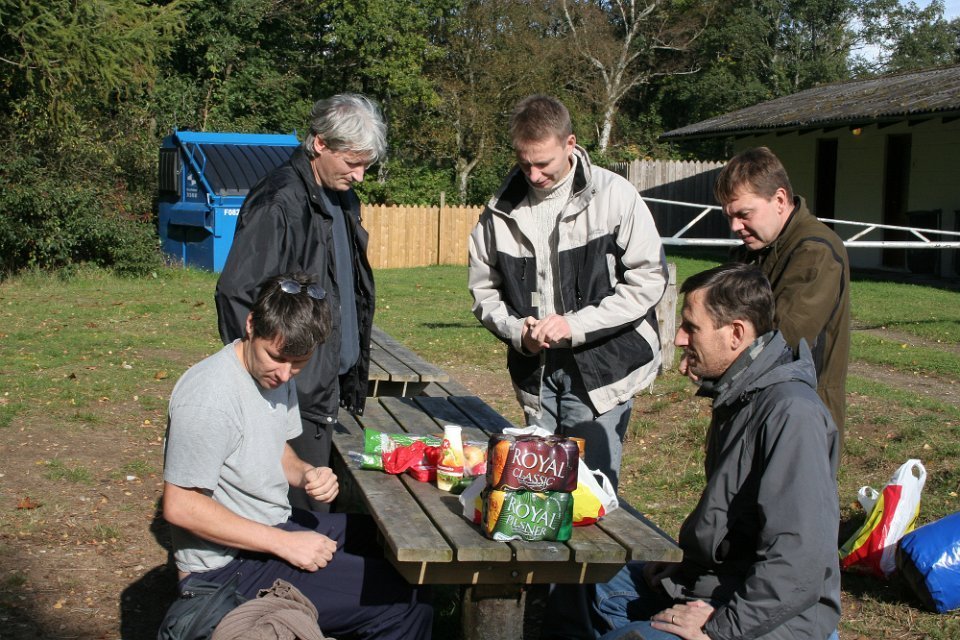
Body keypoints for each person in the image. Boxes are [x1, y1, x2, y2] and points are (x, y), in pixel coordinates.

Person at [162, 273, 432, 640]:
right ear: (251, 325)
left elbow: (276, 448)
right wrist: (286, 544)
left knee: (390, 541)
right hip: (224, 571)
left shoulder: (275, 373)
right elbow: (181, 507)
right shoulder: (209, 398)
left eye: (299, 363)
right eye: (276, 357)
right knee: (406, 601)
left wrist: (305, 473)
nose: (285, 373)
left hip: (273, 525)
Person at [591, 263, 841, 640]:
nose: (679, 338)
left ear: (736, 333)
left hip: (772, 621)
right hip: (719, 587)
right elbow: (734, 525)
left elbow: (799, 560)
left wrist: (720, 629)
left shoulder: (791, 413)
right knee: (593, 576)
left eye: (691, 327)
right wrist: (687, 568)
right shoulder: (741, 396)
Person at [468, 94, 667, 491]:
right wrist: (518, 332)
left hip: (603, 371)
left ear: (570, 144)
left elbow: (648, 280)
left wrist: (574, 326)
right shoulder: (498, 212)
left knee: (590, 493)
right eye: (524, 163)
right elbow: (483, 291)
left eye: (543, 163)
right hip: (535, 372)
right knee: (536, 489)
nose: (534, 174)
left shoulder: (616, 196)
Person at [215, 94, 385, 511]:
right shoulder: (280, 201)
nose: (360, 175)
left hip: (324, 385)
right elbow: (238, 294)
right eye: (353, 163)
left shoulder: (341, 196)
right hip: (293, 390)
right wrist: (269, 375)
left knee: (322, 505)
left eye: (366, 165)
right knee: (296, 512)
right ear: (320, 143)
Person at [709, 146, 850, 435]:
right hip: (752, 404)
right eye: (729, 216)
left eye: (744, 214)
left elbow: (781, 342)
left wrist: (713, 354)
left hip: (799, 416)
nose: (735, 226)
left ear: (780, 200)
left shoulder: (815, 251)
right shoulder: (751, 251)